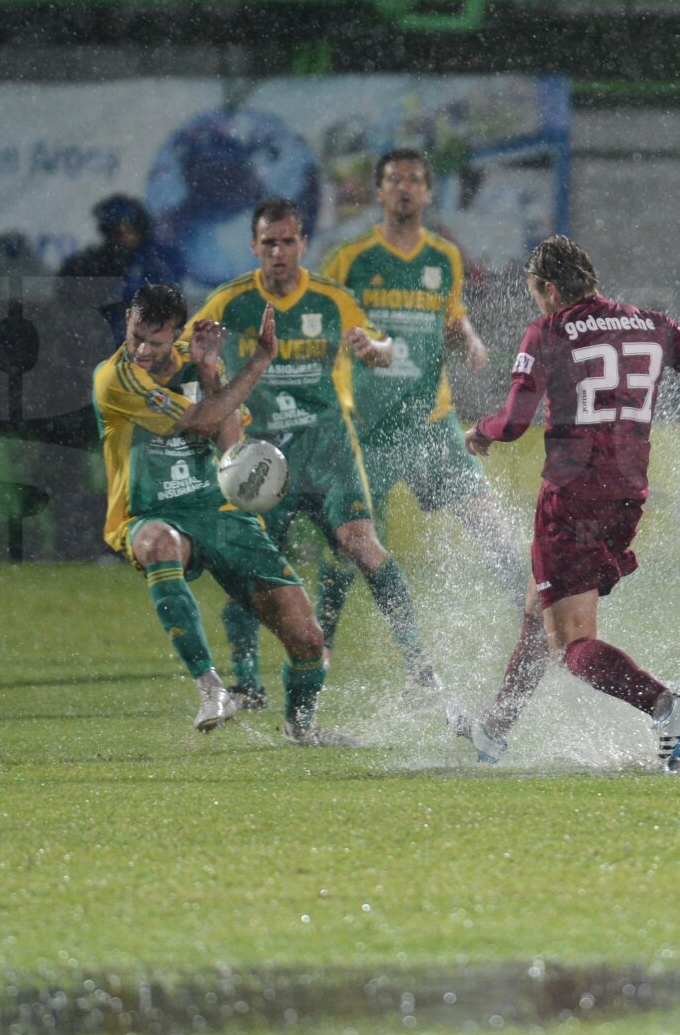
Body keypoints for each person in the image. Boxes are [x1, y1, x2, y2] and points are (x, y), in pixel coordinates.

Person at [451, 234, 680, 768]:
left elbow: (515, 422)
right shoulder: (651, 325)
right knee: (537, 612)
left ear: (548, 288)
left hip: (571, 497)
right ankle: (495, 731)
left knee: (569, 643)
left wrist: (479, 431)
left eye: (534, 293)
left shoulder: (548, 330)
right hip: (625, 497)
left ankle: (665, 705)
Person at [188, 197, 443, 711]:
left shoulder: (329, 298)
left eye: (287, 242)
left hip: (327, 447)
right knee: (249, 568)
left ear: (304, 244)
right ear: (254, 246)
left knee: (362, 544)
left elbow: (384, 342)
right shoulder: (228, 302)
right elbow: (188, 359)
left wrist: (377, 351)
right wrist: (203, 370)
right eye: (268, 243)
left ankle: (421, 670)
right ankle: (247, 683)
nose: (278, 252)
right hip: (260, 456)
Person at [93, 283, 357, 746]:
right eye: (135, 336)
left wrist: (211, 370)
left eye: (155, 342)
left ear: (174, 333)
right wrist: (259, 362)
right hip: (149, 511)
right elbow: (197, 422)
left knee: (308, 640)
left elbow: (230, 444)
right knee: (160, 544)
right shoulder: (115, 377)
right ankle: (211, 687)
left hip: (219, 512)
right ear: (128, 325)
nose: (142, 350)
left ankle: (301, 729)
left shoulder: (197, 361)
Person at [315, 148, 528, 663]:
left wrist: (472, 342)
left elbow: (452, 317)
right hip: (367, 429)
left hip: (432, 424)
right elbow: (322, 320)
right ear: (380, 191)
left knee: (490, 526)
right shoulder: (350, 258)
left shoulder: (443, 257)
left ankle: (539, 621)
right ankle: (317, 644)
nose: (405, 187)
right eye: (394, 179)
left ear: (429, 192)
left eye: (414, 179)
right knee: (350, 544)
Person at [61, 195, 179, 344]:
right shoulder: (94, 263)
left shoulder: (153, 266)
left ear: (139, 230)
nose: (123, 237)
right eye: (115, 231)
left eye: (128, 229)